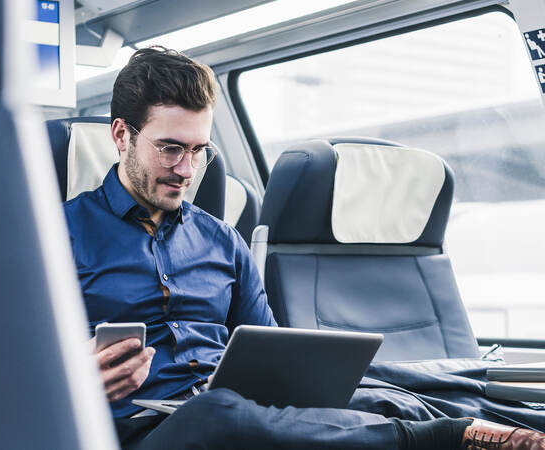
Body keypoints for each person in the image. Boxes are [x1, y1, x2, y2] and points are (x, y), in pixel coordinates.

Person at [63, 46, 545, 450]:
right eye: (170, 148)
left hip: (238, 413)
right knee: (216, 414)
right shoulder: (53, 239)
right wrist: (71, 385)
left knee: (380, 397)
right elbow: (0, 375)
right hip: (133, 431)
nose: (188, 170)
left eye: (199, 151)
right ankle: (441, 438)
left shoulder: (221, 240)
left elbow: (271, 353)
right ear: (122, 134)